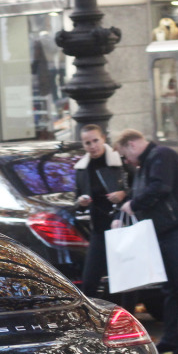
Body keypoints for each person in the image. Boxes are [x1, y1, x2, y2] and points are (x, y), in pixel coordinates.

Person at [113, 129, 178, 354]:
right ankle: (174, 340)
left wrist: (134, 205)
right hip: (168, 232)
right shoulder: (148, 164)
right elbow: (138, 194)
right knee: (172, 289)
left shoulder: (162, 155)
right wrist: (119, 217)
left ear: (132, 145)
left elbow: (160, 187)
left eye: (125, 155)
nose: (126, 161)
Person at [73, 124, 130, 298]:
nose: (92, 146)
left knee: (123, 279)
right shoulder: (82, 168)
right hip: (99, 227)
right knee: (90, 280)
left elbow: (139, 187)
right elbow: (76, 198)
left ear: (103, 139)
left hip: (122, 225)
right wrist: (81, 202)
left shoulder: (119, 162)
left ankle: (126, 318)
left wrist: (123, 194)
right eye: (87, 143)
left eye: (95, 140)